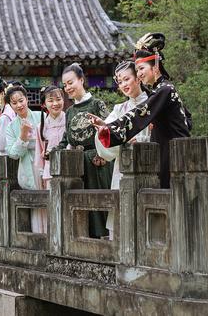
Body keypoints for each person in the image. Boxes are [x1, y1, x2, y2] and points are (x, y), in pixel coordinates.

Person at [93, 33, 191, 189]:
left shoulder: (164, 90)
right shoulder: (162, 90)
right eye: (137, 69)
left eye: (141, 68)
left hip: (174, 154)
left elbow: (138, 116)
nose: (139, 73)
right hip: (166, 151)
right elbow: (188, 119)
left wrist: (111, 130)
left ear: (156, 66)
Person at [91, 61, 150, 240]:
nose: (124, 84)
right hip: (123, 170)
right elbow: (106, 147)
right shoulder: (119, 109)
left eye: (127, 79)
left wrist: (141, 140)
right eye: (120, 81)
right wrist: (103, 129)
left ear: (138, 78)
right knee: (121, 223)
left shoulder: (154, 102)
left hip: (149, 169)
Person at [56, 63, 113, 238]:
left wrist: (102, 153)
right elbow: (67, 138)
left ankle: (104, 241)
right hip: (77, 164)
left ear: (81, 80)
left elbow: (111, 131)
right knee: (81, 206)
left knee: (100, 204)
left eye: (71, 82)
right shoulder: (70, 111)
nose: (68, 88)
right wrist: (54, 152)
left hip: (98, 161)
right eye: (65, 85)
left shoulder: (97, 104)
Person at [4, 84, 45, 232]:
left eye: (21, 100)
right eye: (14, 103)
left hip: (45, 166)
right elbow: (13, 153)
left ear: (27, 99)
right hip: (28, 169)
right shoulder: (11, 127)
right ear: (10, 105)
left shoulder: (41, 116)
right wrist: (22, 135)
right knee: (36, 209)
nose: (19, 105)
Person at [34, 86, 66, 191]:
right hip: (49, 173)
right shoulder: (40, 127)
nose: (55, 104)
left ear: (63, 100)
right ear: (44, 104)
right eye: (50, 100)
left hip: (70, 170)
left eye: (58, 99)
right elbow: (39, 159)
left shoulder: (70, 121)